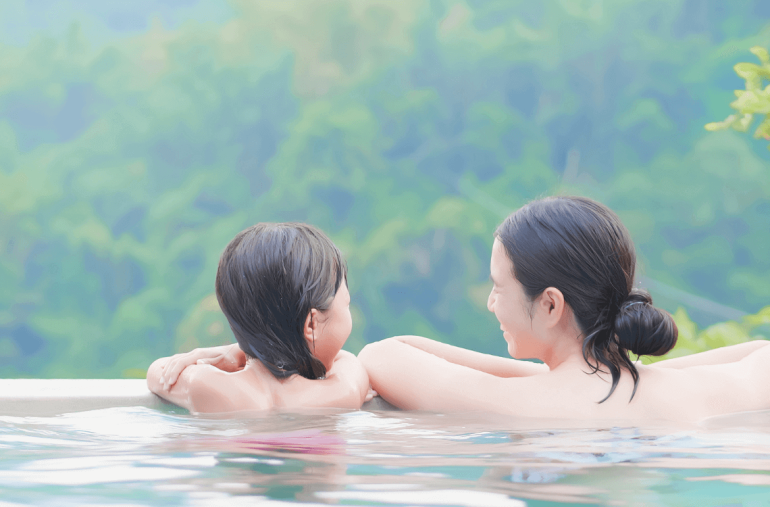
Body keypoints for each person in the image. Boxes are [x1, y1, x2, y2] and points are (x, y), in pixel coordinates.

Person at [358, 196, 770, 423]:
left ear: (551, 304)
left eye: (499, 287)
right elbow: (762, 353)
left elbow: (383, 354)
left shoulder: (517, 403)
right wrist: (621, 368)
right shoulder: (693, 392)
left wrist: (546, 375)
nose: (490, 302)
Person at [146, 222, 372, 413]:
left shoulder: (212, 388)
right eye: (347, 304)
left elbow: (160, 372)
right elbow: (349, 361)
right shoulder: (340, 394)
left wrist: (235, 352)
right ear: (311, 324)